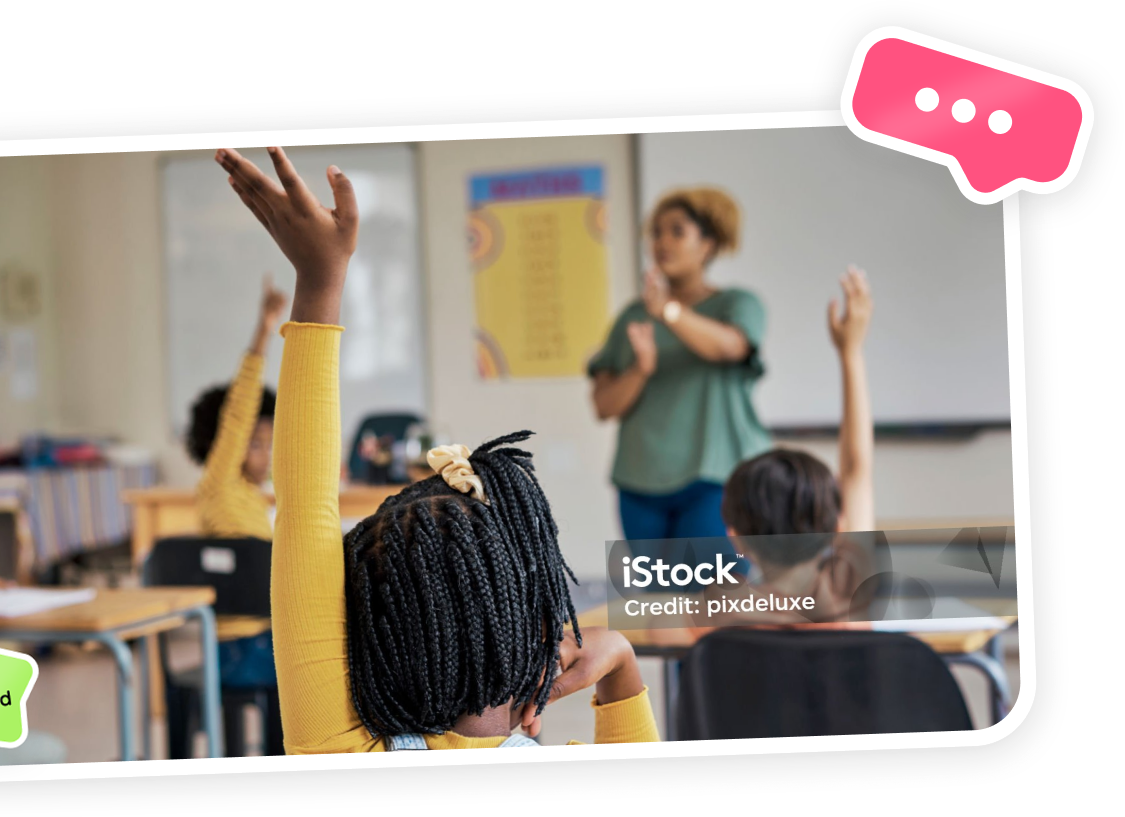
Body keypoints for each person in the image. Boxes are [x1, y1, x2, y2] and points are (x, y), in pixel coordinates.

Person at [216, 146, 660, 752]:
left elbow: (304, 504)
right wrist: (624, 669)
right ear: (536, 625)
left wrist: (319, 280)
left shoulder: (337, 753)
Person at [588, 188, 770, 573]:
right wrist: (642, 369)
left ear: (708, 244)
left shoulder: (736, 305)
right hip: (639, 482)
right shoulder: (632, 317)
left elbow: (730, 348)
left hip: (714, 477)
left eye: (676, 231)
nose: (661, 242)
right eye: (656, 232)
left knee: (721, 599)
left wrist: (669, 310)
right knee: (660, 606)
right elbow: (604, 406)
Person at [687, 266, 876, 630]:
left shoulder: (720, 608)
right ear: (838, 525)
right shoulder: (848, 593)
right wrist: (851, 353)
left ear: (736, 539)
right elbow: (856, 472)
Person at [186, 279, 287, 540]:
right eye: (255, 445)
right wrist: (264, 329)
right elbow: (239, 413)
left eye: (269, 445)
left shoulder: (254, 497)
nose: (267, 457)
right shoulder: (220, 482)